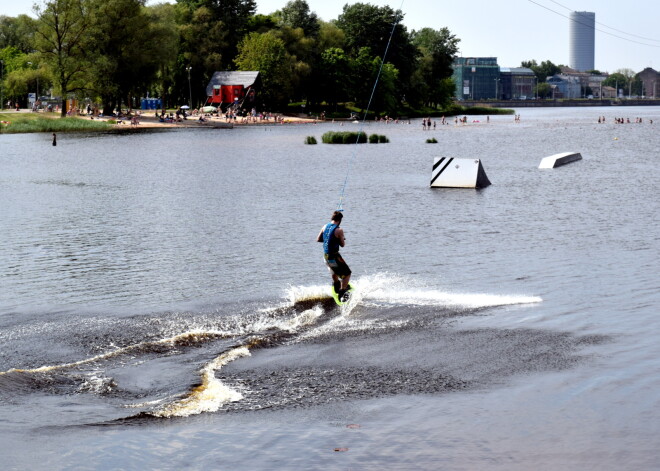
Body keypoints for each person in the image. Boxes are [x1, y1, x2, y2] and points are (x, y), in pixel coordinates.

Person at [317, 211, 351, 299]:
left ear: (332, 218)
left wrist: (329, 239)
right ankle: (342, 291)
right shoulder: (339, 230)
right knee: (347, 274)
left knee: (333, 270)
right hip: (334, 255)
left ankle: (336, 285)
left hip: (326, 255)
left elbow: (319, 239)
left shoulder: (325, 226)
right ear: (340, 220)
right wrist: (342, 238)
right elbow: (342, 245)